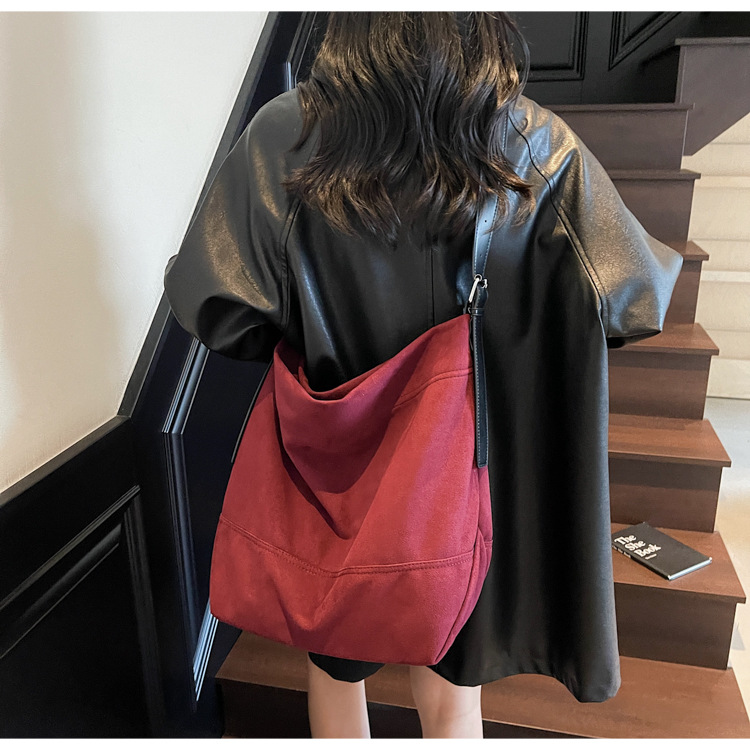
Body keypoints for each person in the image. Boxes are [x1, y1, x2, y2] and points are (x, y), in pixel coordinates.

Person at [163, 11, 684, 739]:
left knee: (335, 669)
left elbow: (215, 307)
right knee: (452, 695)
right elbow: (636, 297)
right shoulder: (533, 143)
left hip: (338, 477)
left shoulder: (283, 135)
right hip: (470, 483)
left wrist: (319, 334)